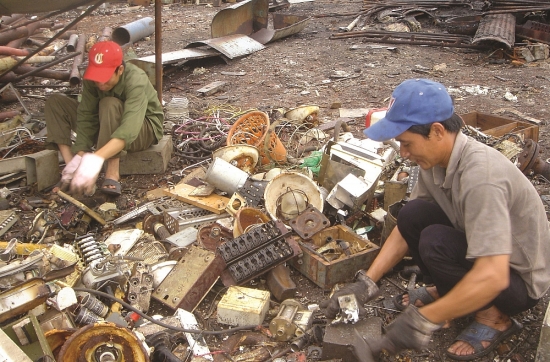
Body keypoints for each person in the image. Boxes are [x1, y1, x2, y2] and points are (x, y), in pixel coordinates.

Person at [320, 79, 550, 361]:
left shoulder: (481, 178)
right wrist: (366, 283)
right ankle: (451, 293)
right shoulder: (435, 161)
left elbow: (494, 275)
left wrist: (421, 321)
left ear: (437, 131)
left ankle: (494, 318)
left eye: (407, 143)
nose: (403, 154)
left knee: (435, 241)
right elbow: (407, 228)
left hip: (516, 284)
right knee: (412, 214)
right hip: (483, 256)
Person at [44, 41, 164, 196]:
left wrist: (95, 159)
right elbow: (87, 116)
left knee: (109, 104)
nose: (100, 83)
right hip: (105, 121)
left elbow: (129, 130)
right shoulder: (92, 79)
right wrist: (80, 155)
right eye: (96, 76)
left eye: (105, 77)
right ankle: (71, 171)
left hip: (143, 130)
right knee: (55, 102)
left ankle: (112, 173)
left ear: (120, 70)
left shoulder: (135, 79)